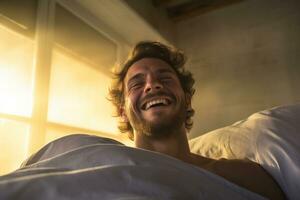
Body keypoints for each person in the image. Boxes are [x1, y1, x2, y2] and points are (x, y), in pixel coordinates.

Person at [109, 41, 285, 199]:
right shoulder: (110, 179)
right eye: (137, 84)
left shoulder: (242, 176)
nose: (152, 85)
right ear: (122, 111)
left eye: (165, 78)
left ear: (187, 101)